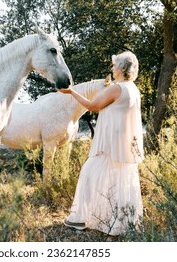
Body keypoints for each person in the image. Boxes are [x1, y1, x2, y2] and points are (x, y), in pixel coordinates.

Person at [58, 51, 144, 236]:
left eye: (114, 65)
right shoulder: (132, 88)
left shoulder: (117, 88)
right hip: (123, 146)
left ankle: (80, 219)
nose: (112, 68)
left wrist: (71, 91)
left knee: (88, 174)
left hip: (110, 145)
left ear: (122, 68)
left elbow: (93, 107)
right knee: (119, 182)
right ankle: (121, 222)